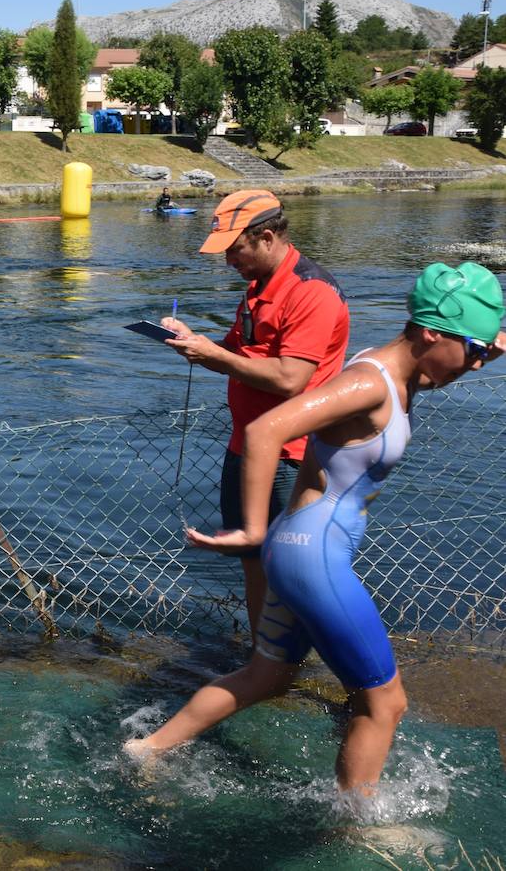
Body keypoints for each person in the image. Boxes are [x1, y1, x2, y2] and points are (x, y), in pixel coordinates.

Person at [128, 262, 505, 796]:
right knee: (384, 703)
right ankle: (358, 827)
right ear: (430, 334)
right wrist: (251, 529)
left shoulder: (402, 370)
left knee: (267, 675)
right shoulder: (367, 385)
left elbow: (451, 359)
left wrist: (487, 343)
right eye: (474, 351)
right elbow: (266, 430)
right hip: (311, 557)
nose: (478, 363)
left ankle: (147, 749)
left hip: (301, 549)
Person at [161, 190, 349, 644]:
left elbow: (290, 378)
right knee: (253, 561)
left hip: (292, 456)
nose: (229, 261)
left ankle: (299, 656)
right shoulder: (258, 289)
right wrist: (196, 343)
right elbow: (236, 354)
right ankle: (264, 653)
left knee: (293, 567)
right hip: (246, 448)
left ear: (266, 238)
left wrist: (214, 356)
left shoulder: (311, 292)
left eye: (234, 249)